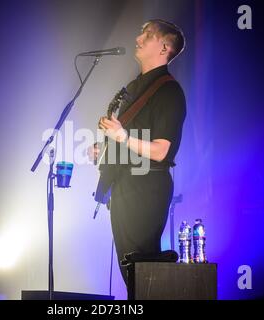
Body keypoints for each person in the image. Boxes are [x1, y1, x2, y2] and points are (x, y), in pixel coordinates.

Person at [89, 19, 186, 285]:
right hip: (123, 187)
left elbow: (161, 150)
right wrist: (108, 148)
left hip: (146, 189)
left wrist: (121, 136)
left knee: (142, 269)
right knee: (130, 270)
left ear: (164, 46)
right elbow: (132, 141)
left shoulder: (169, 91)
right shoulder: (132, 88)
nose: (139, 37)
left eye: (148, 34)